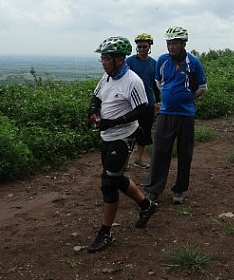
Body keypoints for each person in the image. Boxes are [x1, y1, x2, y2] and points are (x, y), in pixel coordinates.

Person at [85, 36, 159, 252]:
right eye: (102, 58)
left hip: (124, 136)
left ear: (119, 59)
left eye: (107, 58)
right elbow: (97, 97)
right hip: (107, 136)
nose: (103, 62)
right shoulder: (107, 76)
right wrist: (93, 111)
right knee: (115, 178)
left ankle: (105, 232)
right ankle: (147, 205)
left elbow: (141, 110)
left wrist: (114, 122)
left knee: (108, 182)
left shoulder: (132, 81)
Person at [144, 26, 208, 205]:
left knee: (185, 153)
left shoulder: (193, 62)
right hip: (166, 113)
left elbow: (202, 87)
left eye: (175, 43)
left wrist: (187, 98)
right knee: (160, 152)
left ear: (183, 44)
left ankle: (179, 189)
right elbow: (159, 82)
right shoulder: (162, 60)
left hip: (186, 114)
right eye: (169, 43)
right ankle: (153, 189)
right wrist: (169, 97)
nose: (171, 47)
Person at [126, 33, 161, 169]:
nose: (141, 49)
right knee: (128, 131)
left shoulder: (154, 64)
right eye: (139, 46)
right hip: (131, 103)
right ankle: (124, 160)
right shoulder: (129, 62)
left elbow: (155, 85)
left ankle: (138, 159)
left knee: (144, 131)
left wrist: (158, 101)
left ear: (149, 47)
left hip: (148, 103)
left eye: (144, 46)